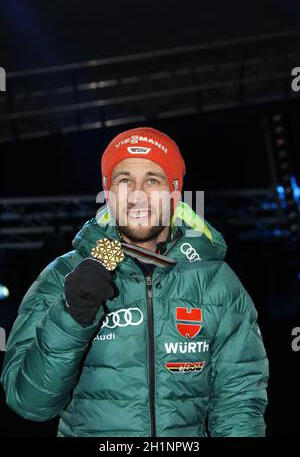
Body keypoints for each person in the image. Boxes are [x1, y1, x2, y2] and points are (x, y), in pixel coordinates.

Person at [0, 127, 269, 437]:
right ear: (108, 191)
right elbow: (29, 403)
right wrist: (72, 315)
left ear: (174, 192)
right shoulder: (63, 275)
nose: (138, 194)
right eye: (124, 180)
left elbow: (239, 403)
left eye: (152, 180)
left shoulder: (217, 282)